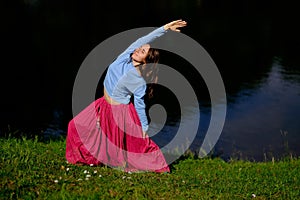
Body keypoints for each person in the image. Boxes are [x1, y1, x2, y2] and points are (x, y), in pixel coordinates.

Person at [66, 19, 187, 173]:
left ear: (145, 61)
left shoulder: (139, 81)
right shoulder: (124, 57)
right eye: (139, 48)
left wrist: (144, 126)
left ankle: (156, 164)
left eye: (142, 51)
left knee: (129, 147)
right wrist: (164, 28)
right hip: (102, 105)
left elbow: (140, 105)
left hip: (119, 113)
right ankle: (81, 158)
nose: (138, 50)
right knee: (74, 126)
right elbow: (143, 40)